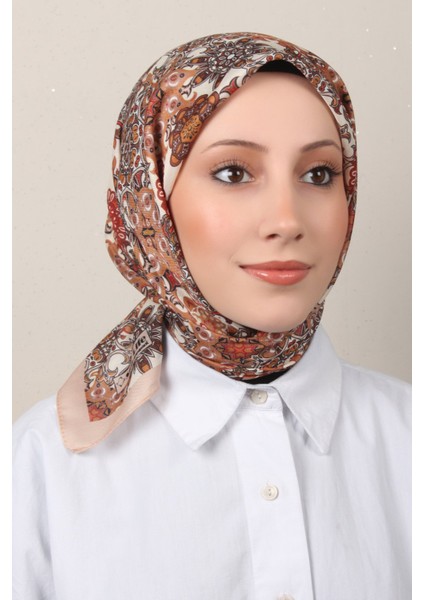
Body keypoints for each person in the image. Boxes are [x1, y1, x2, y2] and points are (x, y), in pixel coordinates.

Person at [13, 32, 410, 600]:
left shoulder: (407, 437)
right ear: (151, 198)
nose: (287, 219)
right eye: (233, 173)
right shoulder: (41, 465)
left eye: (319, 174)